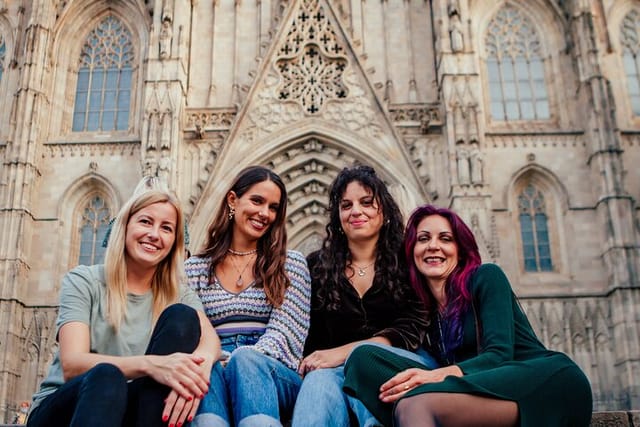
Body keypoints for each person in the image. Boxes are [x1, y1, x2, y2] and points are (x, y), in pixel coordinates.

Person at [343, 204, 593, 427]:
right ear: (412, 251)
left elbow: (498, 356)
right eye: (423, 238)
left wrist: (434, 376)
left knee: (414, 404)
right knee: (363, 361)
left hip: (539, 382)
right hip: (481, 394)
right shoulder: (422, 313)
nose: (433, 246)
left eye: (445, 238)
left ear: (460, 250)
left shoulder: (485, 278)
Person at [27, 186, 221, 427]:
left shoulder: (180, 295)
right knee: (108, 376)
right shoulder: (84, 280)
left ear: (174, 242)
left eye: (166, 228)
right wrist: (152, 365)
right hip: (66, 410)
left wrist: (197, 370)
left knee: (182, 316)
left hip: (135, 413)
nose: (154, 234)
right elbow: (72, 364)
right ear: (125, 226)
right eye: (145, 221)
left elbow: (211, 341)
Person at [291, 165, 434, 427]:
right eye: (346, 205)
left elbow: (411, 329)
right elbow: (308, 332)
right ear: (338, 217)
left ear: (386, 212)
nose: (356, 211)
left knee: (363, 369)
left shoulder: (409, 261)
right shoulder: (317, 267)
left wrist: (344, 353)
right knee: (317, 384)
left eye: (366, 202)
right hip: (334, 371)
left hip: (399, 361)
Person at [186, 165, 311, 427]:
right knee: (202, 369)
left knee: (244, 362)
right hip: (213, 364)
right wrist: (214, 360)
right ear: (233, 200)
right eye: (257, 201)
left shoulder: (291, 264)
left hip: (271, 369)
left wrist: (234, 360)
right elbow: (193, 334)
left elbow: (286, 335)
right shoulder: (195, 268)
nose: (264, 213)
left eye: (273, 207)